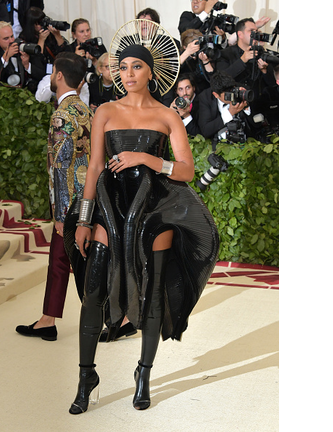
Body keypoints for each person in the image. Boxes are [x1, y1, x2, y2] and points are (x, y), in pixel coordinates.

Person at [63, 38, 219, 414]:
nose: (128, 73)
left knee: (153, 295)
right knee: (94, 290)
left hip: (156, 206)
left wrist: (146, 157)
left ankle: (144, 372)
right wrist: (84, 219)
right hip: (109, 205)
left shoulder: (167, 116)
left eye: (136, 66)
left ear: (151, 71)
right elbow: (96, 167)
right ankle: (87, 375)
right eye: (123, 67)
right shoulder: (105, 111)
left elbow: (186, 170)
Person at [15, 52, 93, 341]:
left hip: (70, 204)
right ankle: (48, 319)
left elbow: (58, 169)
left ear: (58, 76)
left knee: (74, 261)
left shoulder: (61, 115)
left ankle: (113, 317)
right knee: (64, 259)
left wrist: (60, 216)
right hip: (89, 199)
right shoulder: (87, 110)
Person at [215, 18, 276, 106]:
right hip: (235, 106)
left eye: (256, 31)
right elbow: (220, 80)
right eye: (251, 31)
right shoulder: (225, 54)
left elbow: (272, 84)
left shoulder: (261, 53)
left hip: (259, 106)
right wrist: (242, 60)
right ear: (240, 34)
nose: (256, 34)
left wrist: (264, 70)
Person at [197, 70, 261, 140]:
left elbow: (257, 125)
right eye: (227, 95)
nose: (231, 96)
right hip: (219, 142)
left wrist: (246, 106)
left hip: (246, 139)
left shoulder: (242, 91)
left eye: (232, 91)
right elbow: (206, 130)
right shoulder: (205, 97)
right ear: (216, 95)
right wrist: (230, 113)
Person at [0, 21, 45, 91]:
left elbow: (42, 74)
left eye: (12, 36)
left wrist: (27, 65)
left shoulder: (23, 49)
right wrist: (5, 58)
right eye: (6, 38)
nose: (11, 41)